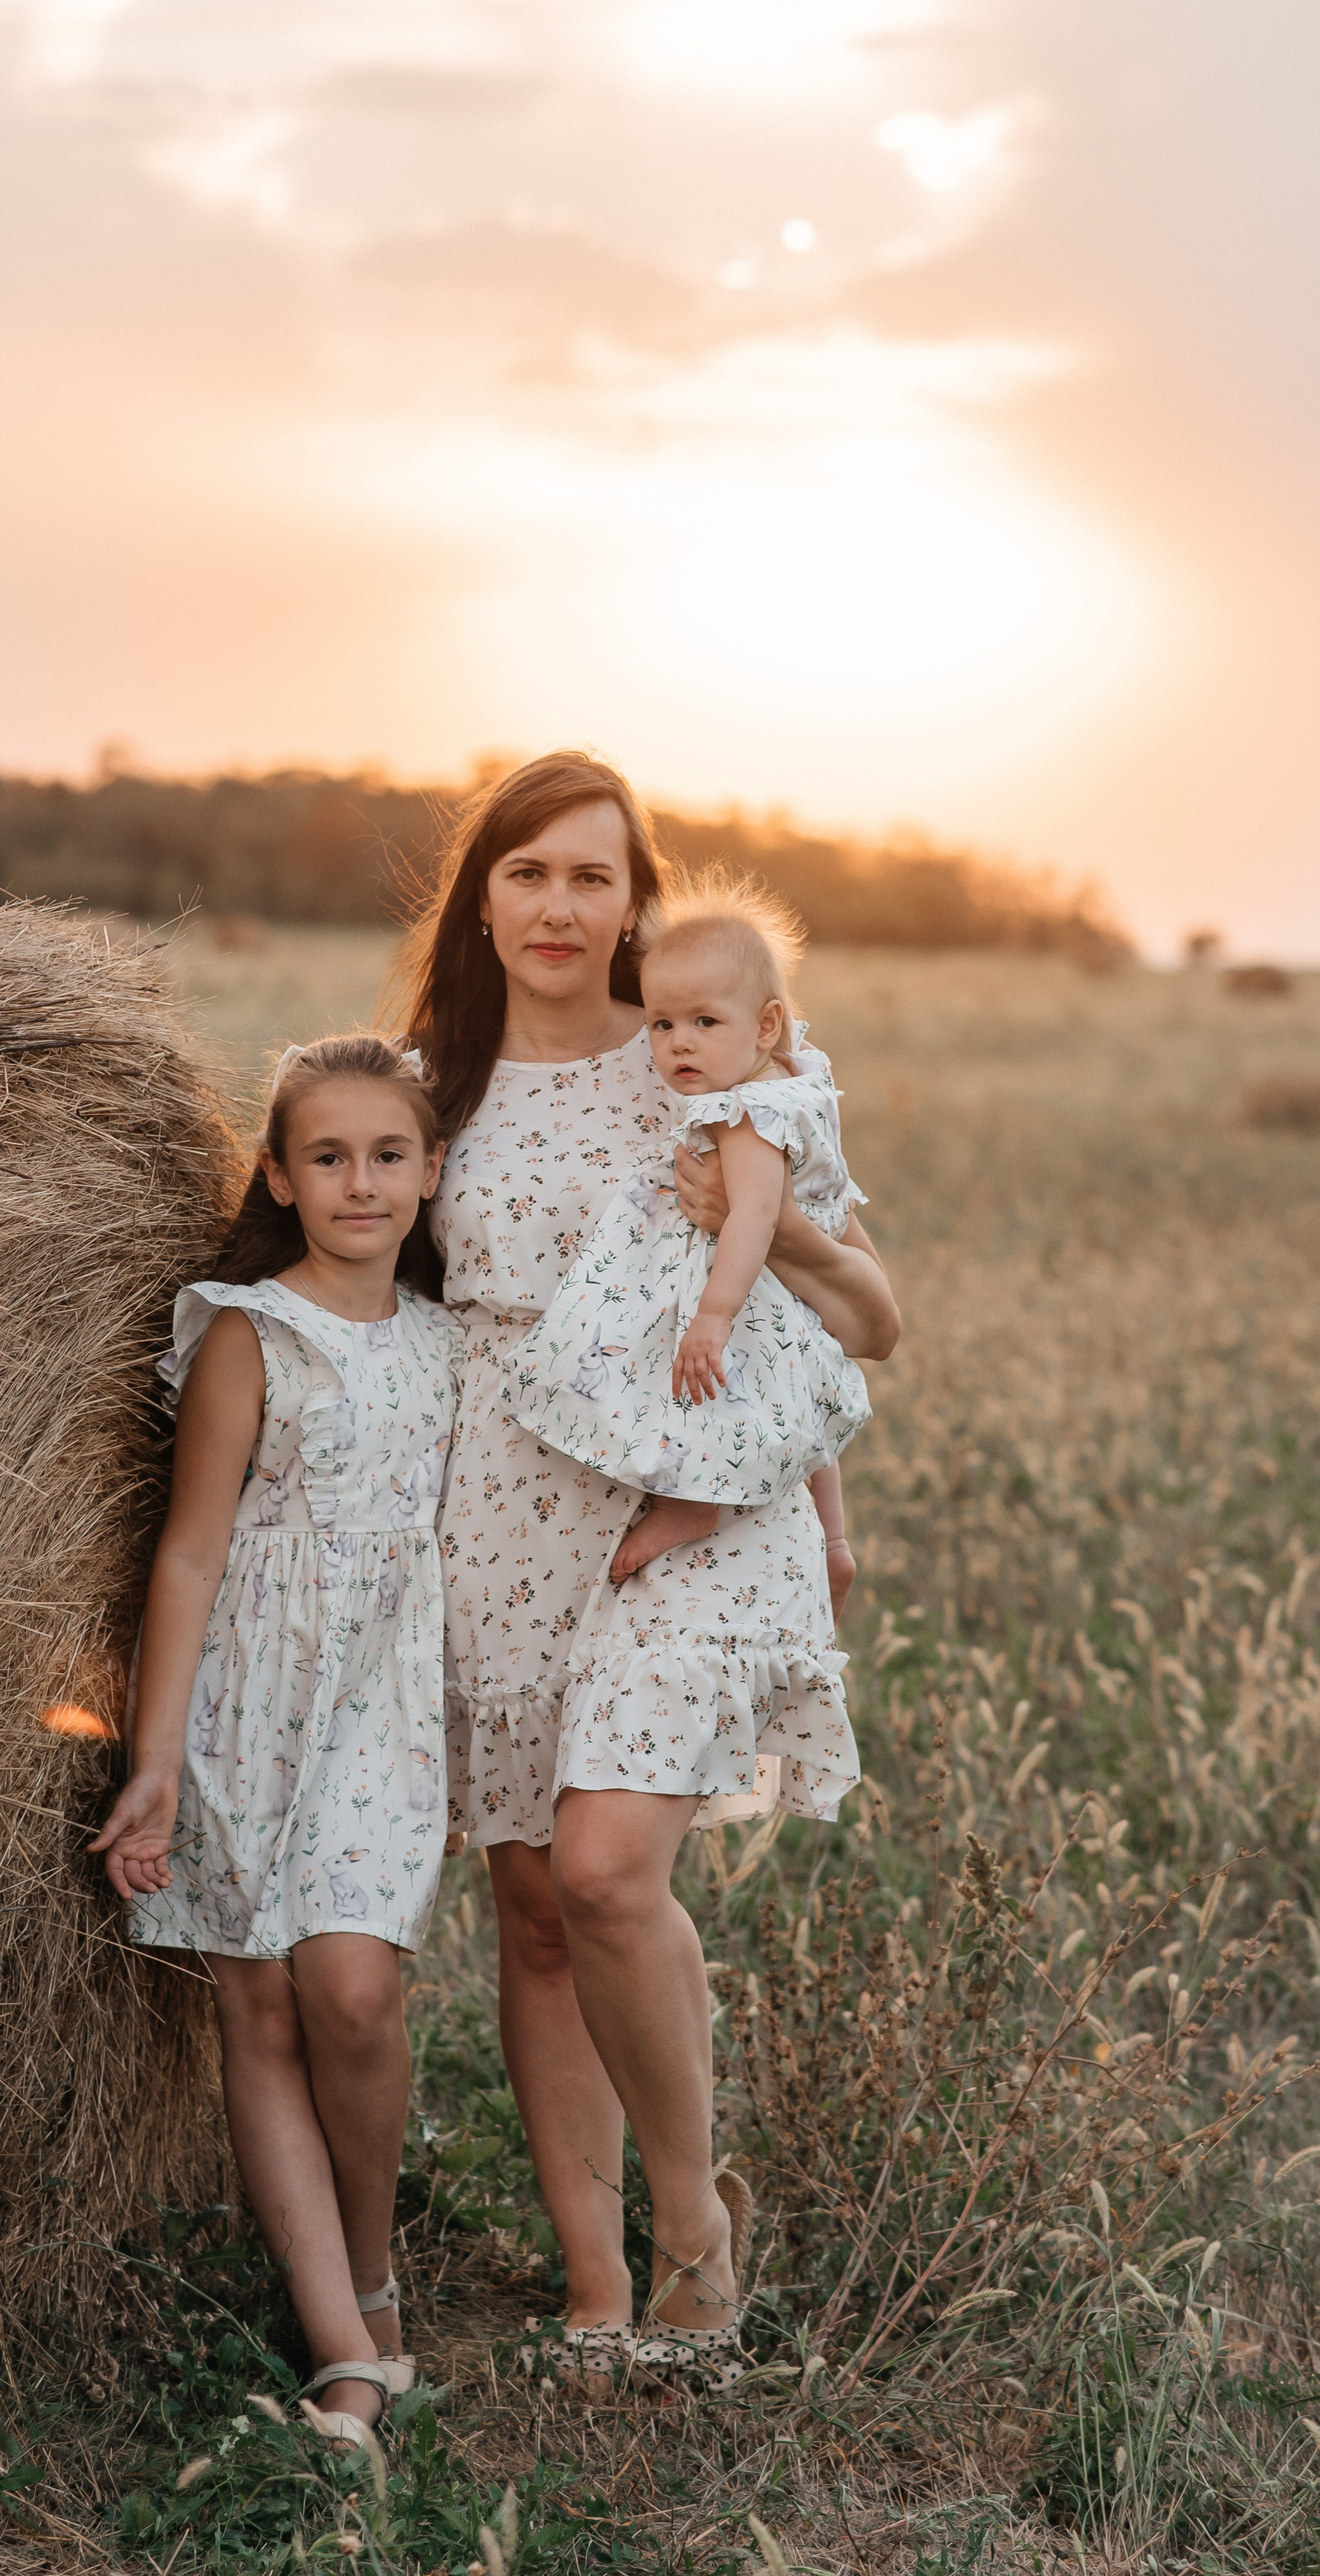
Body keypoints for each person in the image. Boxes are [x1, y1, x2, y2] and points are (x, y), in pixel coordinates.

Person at [399, 752, 899, 2387]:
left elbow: (858, 1311)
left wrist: (813, 1482)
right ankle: (597, 2283)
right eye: (527, 870)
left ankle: (694, 2229)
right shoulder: (428, 1086)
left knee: (609, 1871)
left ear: (635, 904)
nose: (556, 904)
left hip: (693, 1498)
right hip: (495, 1510)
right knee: (537, 1906)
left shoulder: (699, 1056)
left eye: (590, 877)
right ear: (483, 892)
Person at [89, 1034, 457, 2445]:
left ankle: (367, 2271)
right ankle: (342, 2354)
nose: (357, 1182)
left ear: (426, 1172)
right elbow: (186, 1556)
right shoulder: (248, 1330)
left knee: (353, 1993)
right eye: (325, 1156)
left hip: (380, 1707)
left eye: (384, 1154)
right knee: (257, 2004)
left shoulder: (446, 1345)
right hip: (247, 1699)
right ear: (278, 1176)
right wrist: (156, 1756)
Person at [507, 870, 870, 1610]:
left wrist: (711, 1314)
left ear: (765, 1025)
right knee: (796, 1406)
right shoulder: (797, 1078)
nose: (678, 1044)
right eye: (662, 1024)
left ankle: (689, 1499)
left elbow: (754, 1217)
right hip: (790, 1314)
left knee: (692, 1373)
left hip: (744, 1292)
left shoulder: (744, 1113)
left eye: (704, 1023)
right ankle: (832, 1542)